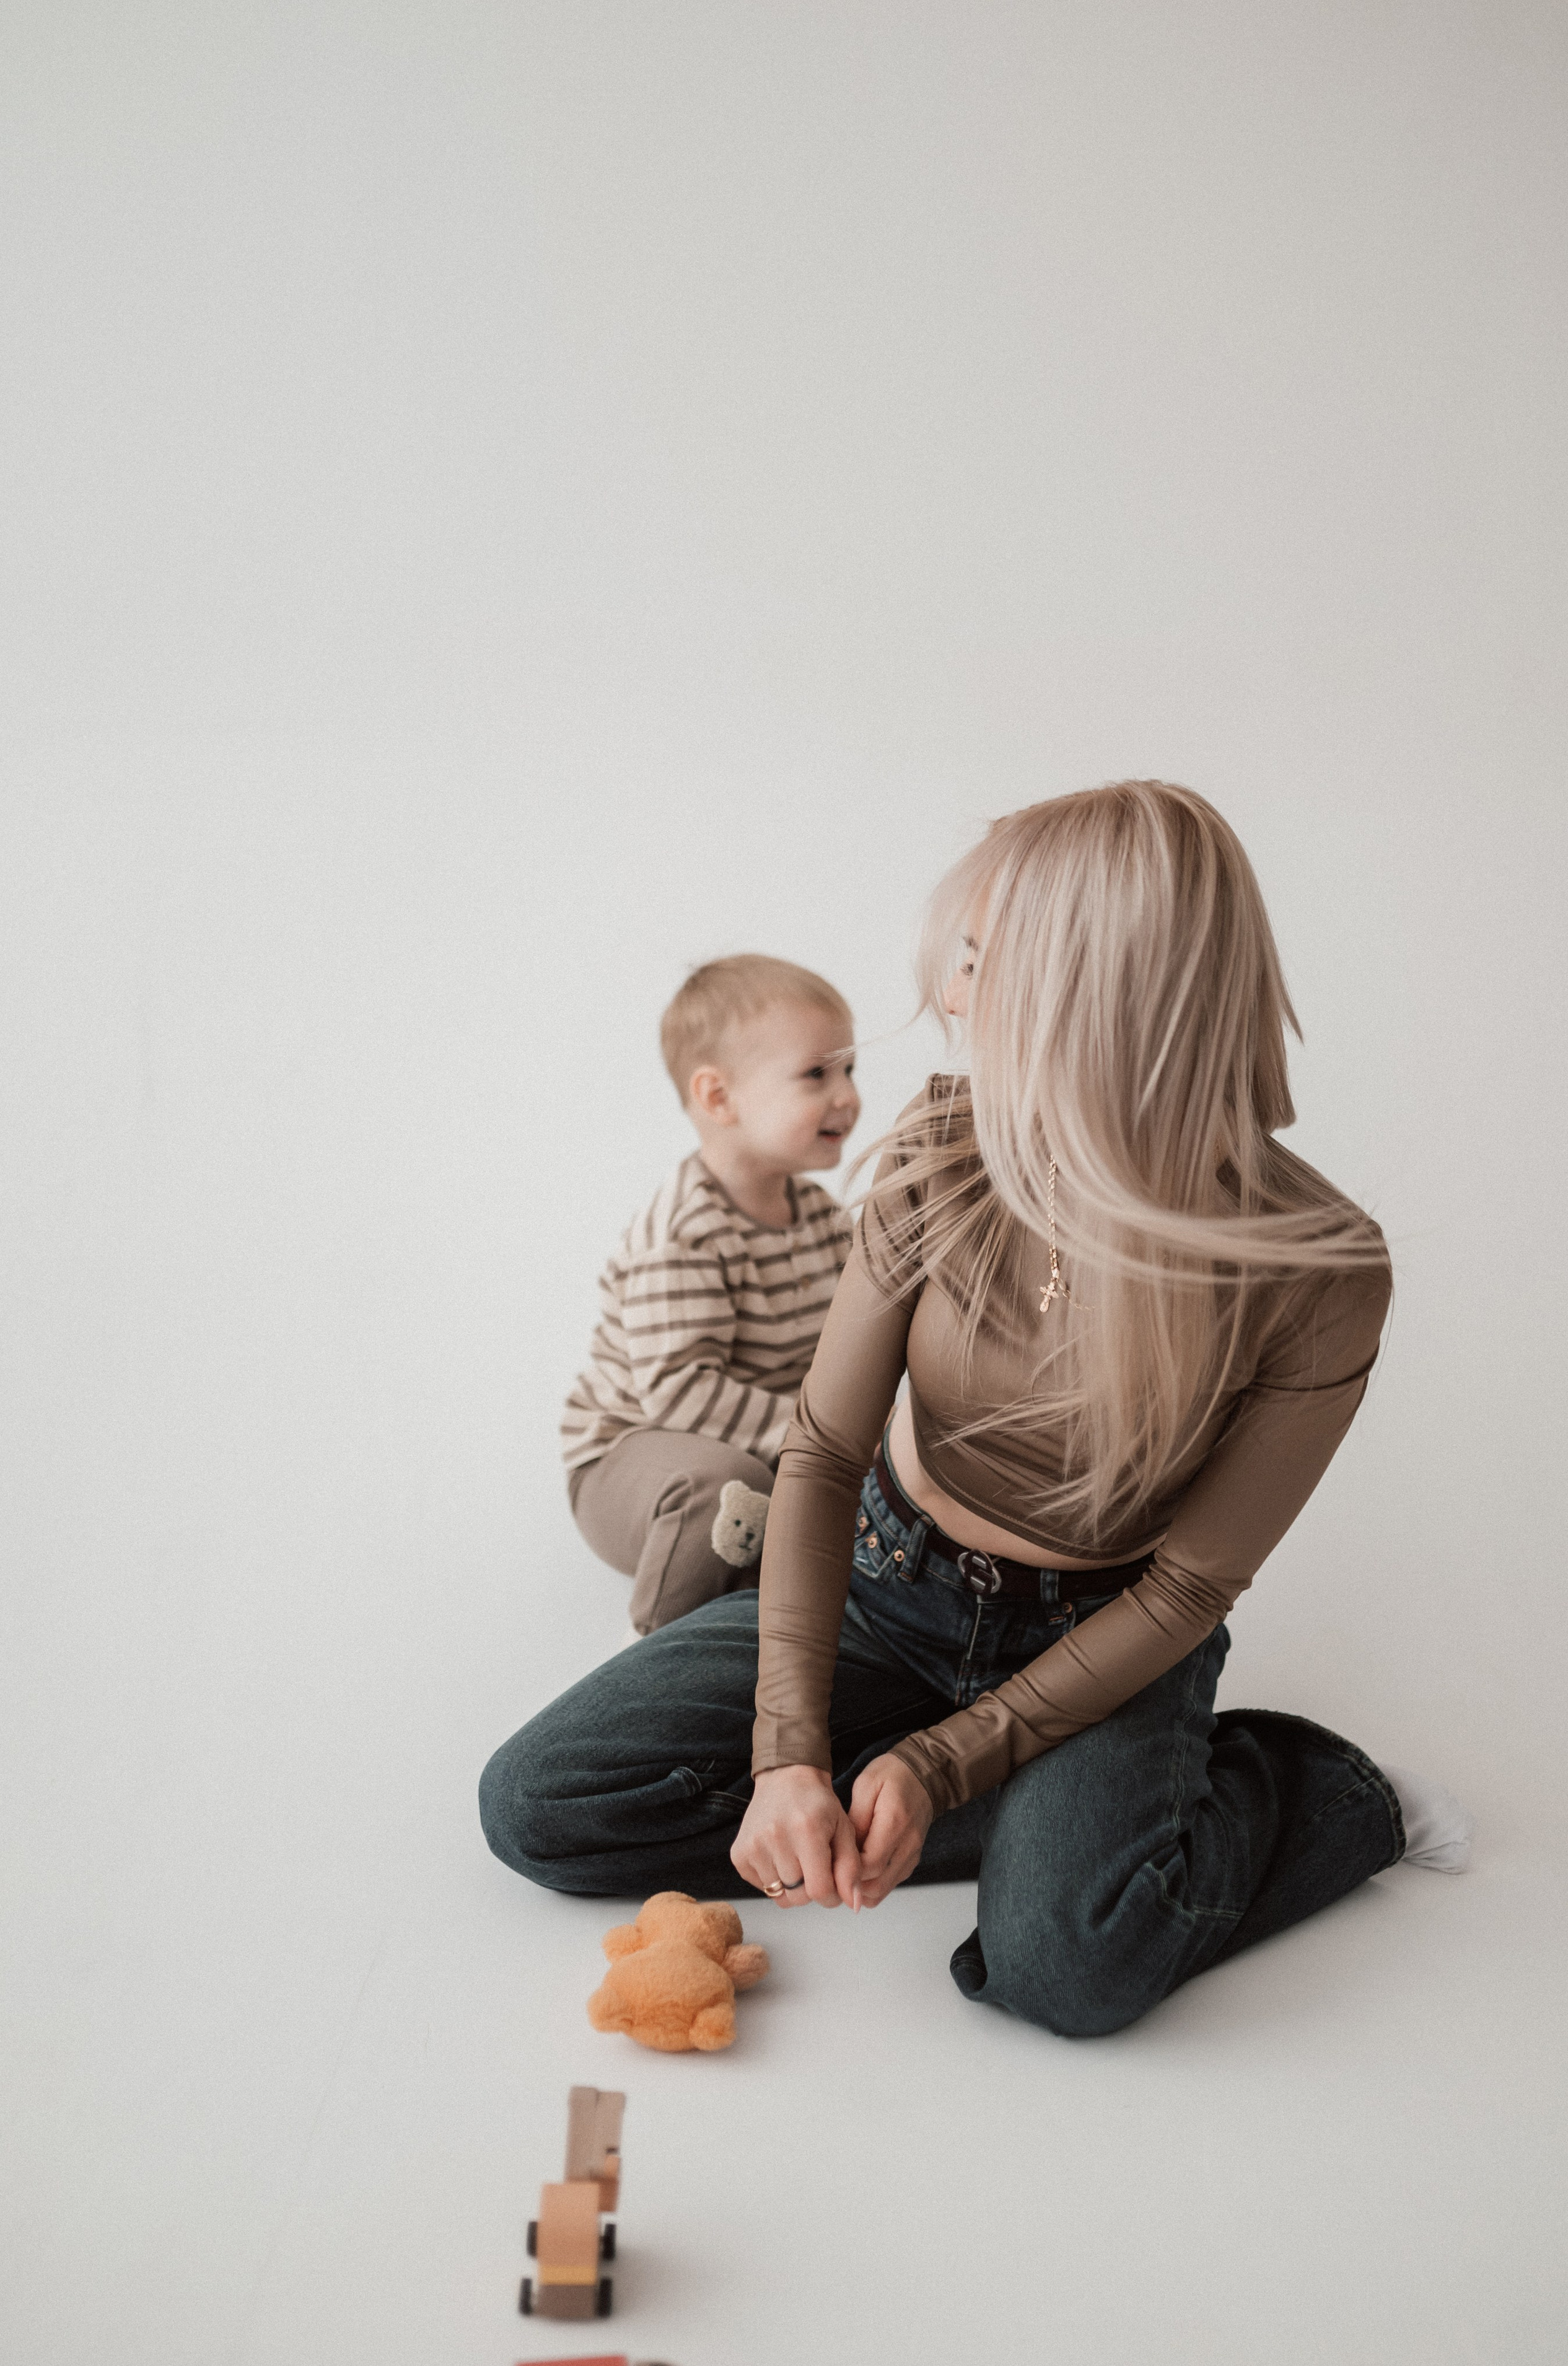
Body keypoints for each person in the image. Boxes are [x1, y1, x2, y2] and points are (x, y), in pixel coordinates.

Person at [487, 785, 1471, 2037]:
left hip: (1108, 1636)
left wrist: (946, 1761)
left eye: (975, 962)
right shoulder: (943, 1146)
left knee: (1068, 1964)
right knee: (543, 1804)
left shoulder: (1316, 1270)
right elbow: (827, 1446)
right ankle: (1072, 1817)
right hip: (886, 1582)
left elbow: (1184, 1590)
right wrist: (788, 1761)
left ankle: (1313, 1792)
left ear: (1094, 993)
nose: (948, 997)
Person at [561, 953, 860, 1634]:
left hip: (768, 1447)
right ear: (719, 1098)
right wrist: (829, 1443)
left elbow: (856, 1346)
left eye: (849, 1070)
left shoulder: (822, 1220)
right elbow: (681, 1392)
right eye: (817, 1074)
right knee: (725, 1488)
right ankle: (658, 1687)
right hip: (630, 1454)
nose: (846, 1095)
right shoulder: (685, 1231)